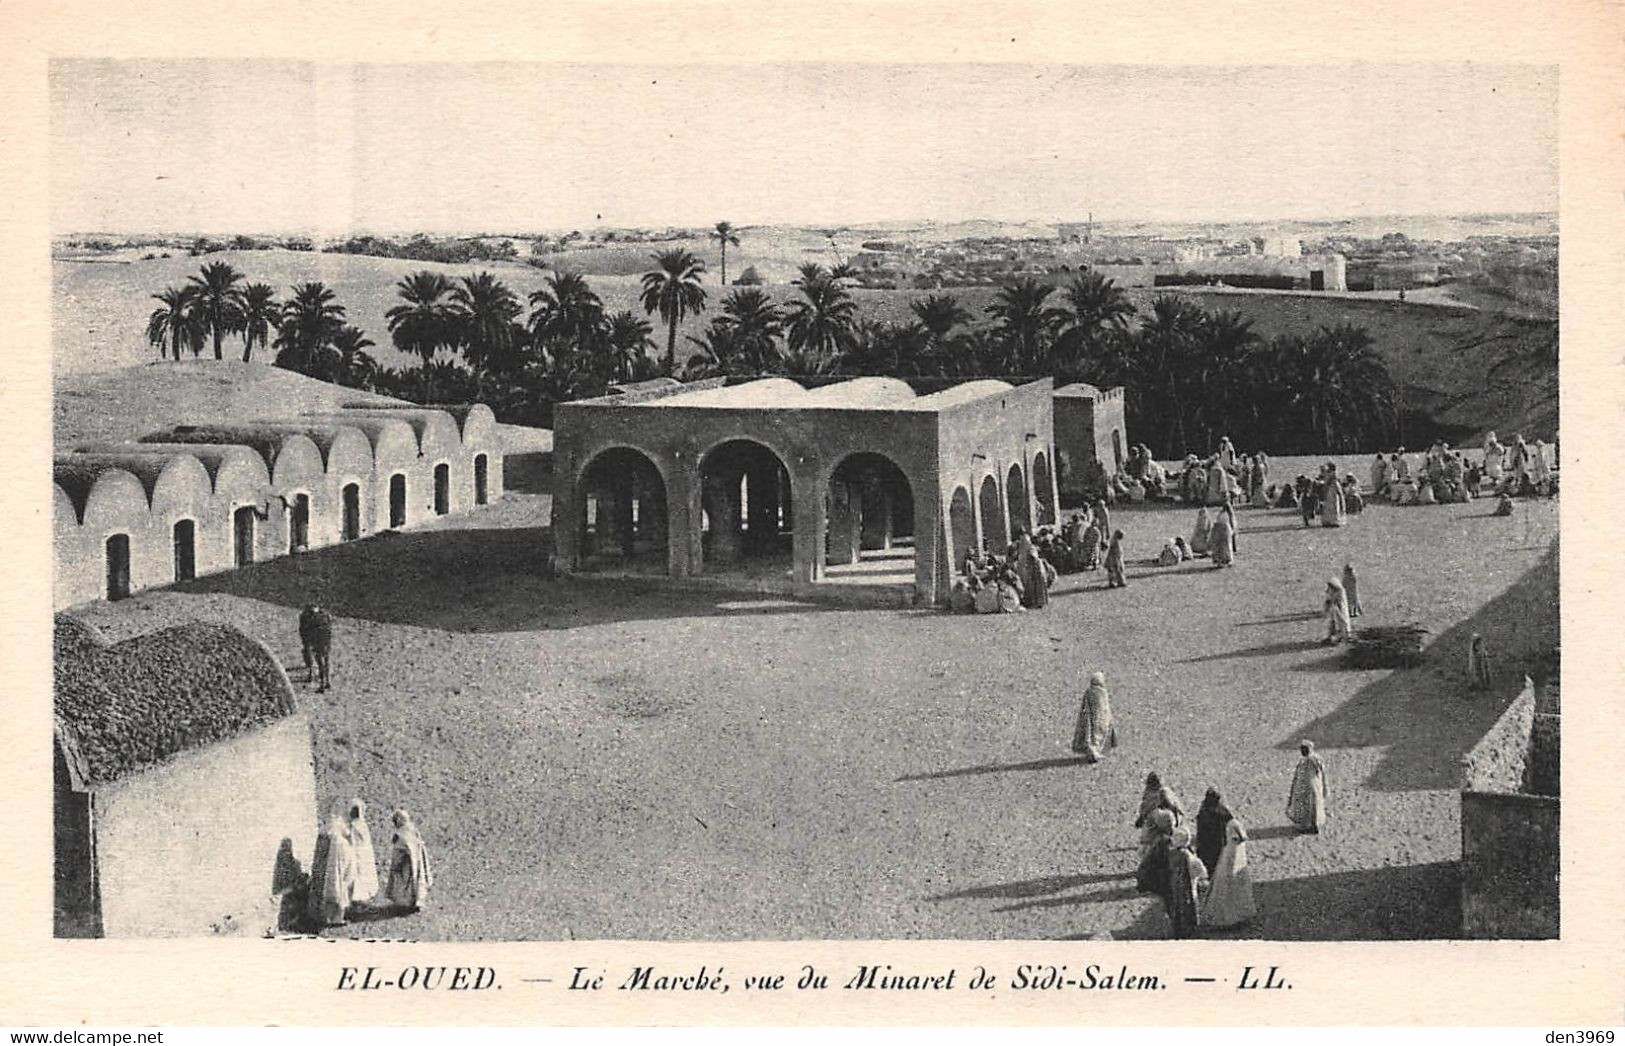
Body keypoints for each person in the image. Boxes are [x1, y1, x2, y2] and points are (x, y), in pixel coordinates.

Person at [307, 801, 358, 927]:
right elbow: (346, 837)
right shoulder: (337, 832)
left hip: (325, 865)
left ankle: (320, 916)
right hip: (334, 863)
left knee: (323, 888)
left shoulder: (326, 830)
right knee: (337, 888)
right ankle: (334, 918)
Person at [1202, 815, 1257, 929]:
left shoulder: (1225, 828)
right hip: (1236, 856)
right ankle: (1239, 916)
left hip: (1227, 855)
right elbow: (1244, 837)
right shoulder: (1234, 825)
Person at [385, 808, 435, 913]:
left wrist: (397, 863)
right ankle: (417, 901)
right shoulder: (412, 829)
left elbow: (401, 849)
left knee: (407, 882)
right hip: (416, 860)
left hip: (406, 863)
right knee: (417, 880)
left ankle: (407, 903)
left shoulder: (400, 834)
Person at [1165, 826, 1208, 939]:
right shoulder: (1188, 856)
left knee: (1176, 906)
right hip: (1188, 886)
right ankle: (1189, 929)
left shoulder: (1171, 854)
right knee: (1189, 906)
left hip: (1174, 884)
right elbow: (1200, 871)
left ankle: (1177, 929)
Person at [1071, 671, 1116, 763]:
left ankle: (1092, 753)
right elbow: (1104, 707)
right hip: (1100, 718)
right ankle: (1094, 754)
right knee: (1097, 736)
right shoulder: (1101, 692)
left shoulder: (1090, 691)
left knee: (1091, 735)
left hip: (1090, 717)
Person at [1286, 740, 1329, 833]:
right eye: (1302, 749)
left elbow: (1321, 773)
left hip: (1313, 787)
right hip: (1302, 787)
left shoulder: (1315, 760)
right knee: (1303, 806)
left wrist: (1324, 786)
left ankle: (1315, 826)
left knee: (1314, 806)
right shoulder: (1302, 761)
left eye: (1305, 749)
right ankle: (1304, 825)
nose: (1302, 751)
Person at [345, 797, 379, 904]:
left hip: (360, 854)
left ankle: (360, 898)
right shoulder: (361, 825)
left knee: (359, 875)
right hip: (361, 854)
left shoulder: (355, 826)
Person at [1194, 789, 1231, 877]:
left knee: (1210, 870)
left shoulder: (1203, 810)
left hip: (1205, 845)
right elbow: (1229, 819)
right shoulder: (1221, 810)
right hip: (1216, 844)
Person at [299, 604, 334, 692]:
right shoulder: (325, 615)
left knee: (318, 660)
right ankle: (327, 681)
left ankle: (317, 679)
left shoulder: (305, 616)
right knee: (325, 660)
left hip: (315, 639)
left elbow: (303, 630)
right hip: (325, 639)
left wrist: (306, 641)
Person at [1012, 528, 1049, 610]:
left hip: (1031, 568)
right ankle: (1033, 601)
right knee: (1031, 585)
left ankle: (1037, 602)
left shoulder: (1026, 542)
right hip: (1027, 567)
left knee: (1034, 585)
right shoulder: (1024, 543)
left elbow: (1032, 556)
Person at [1323, 577, 1352, 644]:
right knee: (1331, 624)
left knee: (1340, 624)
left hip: (1339, 611)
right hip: (1333, 611)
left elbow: (1339, 602)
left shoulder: (1340, 592)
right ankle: (1330, 637)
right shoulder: (1331, 591)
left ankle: (1341, 637)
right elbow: (1329, 599)